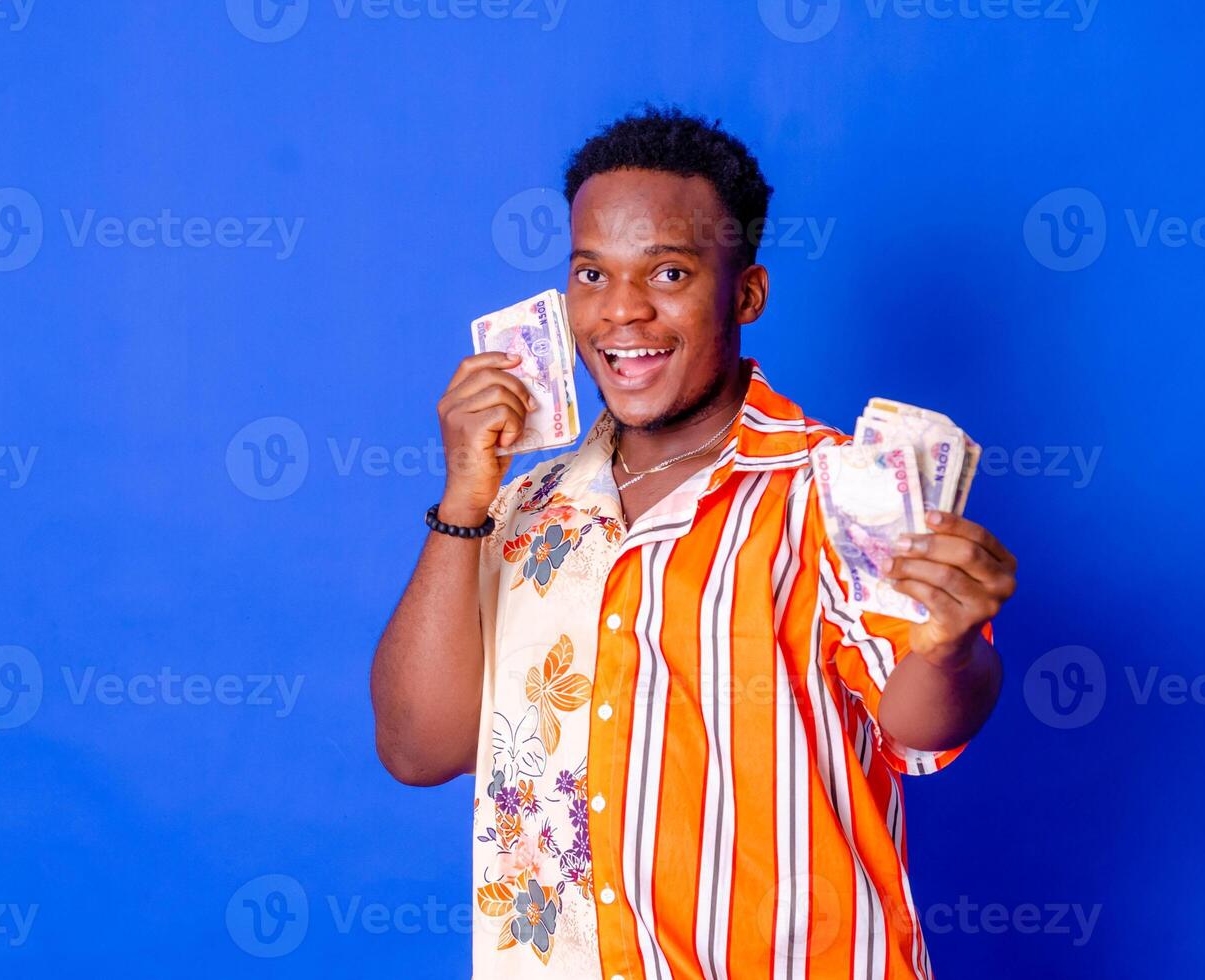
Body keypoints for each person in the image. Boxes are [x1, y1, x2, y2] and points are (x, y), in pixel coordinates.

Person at [372, 106, 1018, 979]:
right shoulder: (523, 506)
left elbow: (920, 726)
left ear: (745, 293)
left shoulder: (837, 492)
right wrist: (464, 497)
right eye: (592, 275)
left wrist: (945, 651)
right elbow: (419, 749)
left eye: (668, 272)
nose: (622, 311)